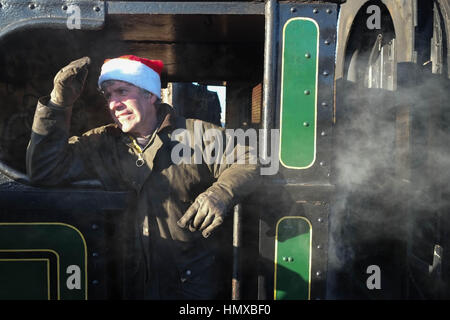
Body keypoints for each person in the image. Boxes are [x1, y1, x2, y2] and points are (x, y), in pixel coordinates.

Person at [26, 55, 259, 299]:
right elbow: (44, 169)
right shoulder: (100, 142)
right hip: (125, 284)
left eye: (122, 91)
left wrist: (221, 193)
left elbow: (251, 160)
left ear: (150, 95)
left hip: (189, 287)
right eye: (108, 95)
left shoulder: (197, 134)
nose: (114, 103)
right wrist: (58, 104)